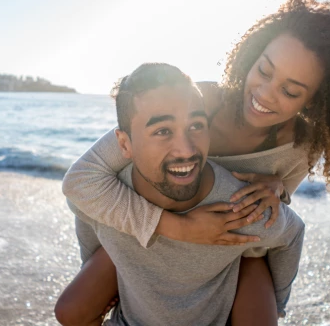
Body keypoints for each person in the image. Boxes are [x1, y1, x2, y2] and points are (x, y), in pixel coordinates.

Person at [59, 0, 330, 324]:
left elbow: (277, 209)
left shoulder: (302, 146)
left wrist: (278, 189)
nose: (264, 93)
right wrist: (176, 228)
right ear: (251, 55)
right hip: (155, 224)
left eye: (290, 91)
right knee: (74, 308)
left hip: (232, 249)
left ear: (314, 101)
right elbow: (85, 178)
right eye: (263, 70)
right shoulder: (199, 103)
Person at [56, 63, 306, 325]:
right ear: (124, 145)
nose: (185, 149)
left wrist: (276, 305)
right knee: (69, 312)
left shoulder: (234, 205)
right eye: (163, 131)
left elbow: (292, 233)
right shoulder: (107, 193)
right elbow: (82, 207)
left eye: (196, 126)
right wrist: (108, 271)